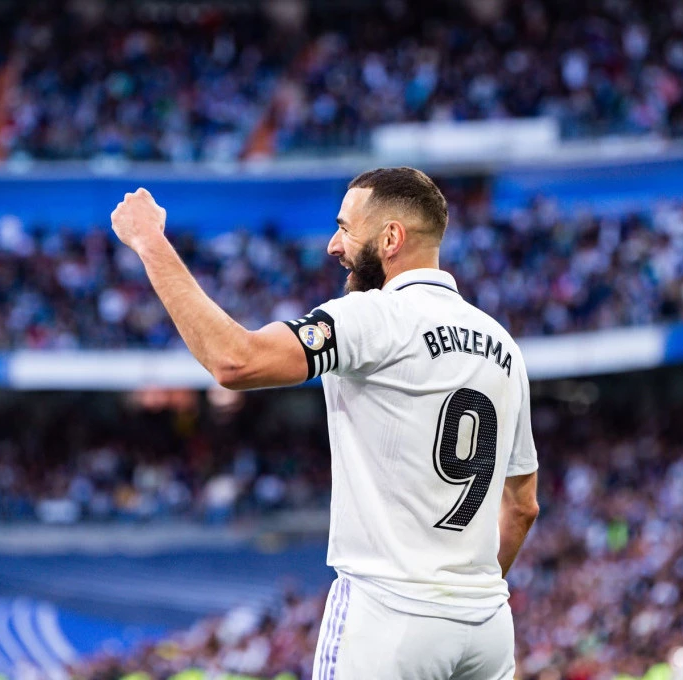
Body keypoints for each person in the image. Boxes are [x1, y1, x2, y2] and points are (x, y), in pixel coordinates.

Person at [111, 167, 539, 680]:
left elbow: (235, 361)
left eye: (344, 228)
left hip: (389, 617)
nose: (334, 245)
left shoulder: (372, 316)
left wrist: (149, 242)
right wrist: (462, 598)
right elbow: (523, 507)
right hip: (486, 626)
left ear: (391, 238)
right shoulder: (504, 349)